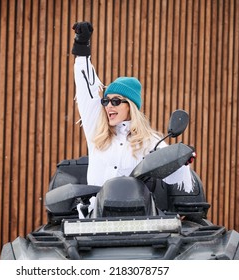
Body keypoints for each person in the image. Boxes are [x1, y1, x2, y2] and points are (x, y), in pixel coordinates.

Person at [71, 21, 194, 194]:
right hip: (96, 218)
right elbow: (86, 91)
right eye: (106, 101)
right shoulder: (96, 131)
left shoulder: (150, 141)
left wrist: (181, 162)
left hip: (135, 218)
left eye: (116, 101)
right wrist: (81, 48)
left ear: (130, 107)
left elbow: (173, 178)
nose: (108, 106)